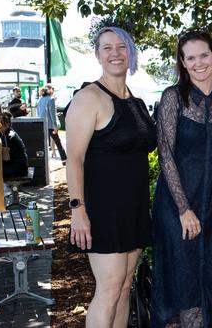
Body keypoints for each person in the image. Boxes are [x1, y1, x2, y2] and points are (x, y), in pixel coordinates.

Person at [66, 25, 157, 328]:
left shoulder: (137, 101)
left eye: (122, 47)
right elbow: (74, 159)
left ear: (131, 52)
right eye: (107, 48)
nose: (115, 53)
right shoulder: (88, 98)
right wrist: (77, 210)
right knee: (108, 289)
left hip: (134, 209)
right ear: (98, 55)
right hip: (104, 211)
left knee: (124, 287)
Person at [151, 29, 212, 327]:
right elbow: (166, 155)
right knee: (182, 280)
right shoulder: (173, 97)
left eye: (204, 55)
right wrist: (183, 209)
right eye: (191, 57)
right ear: (183, 63)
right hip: (177, 205)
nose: (199, 62)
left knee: (211, 277)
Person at [37, 85, 67, 164]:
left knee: (43, 144)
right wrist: (55, 126)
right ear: (50, 90)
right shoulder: (51, 99)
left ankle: (42, 161)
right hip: (50, 125)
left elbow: (38, 113)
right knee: (58, 142)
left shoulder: (39, 99)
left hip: (42, 124)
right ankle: (64, 159)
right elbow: (52, 114)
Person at [0, 112, 28, 178]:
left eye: (0, 124)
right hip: (18, 166)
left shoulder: (9, 136)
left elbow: (4, 156)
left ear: (6, 124)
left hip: (17, 168)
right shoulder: (8, 133)